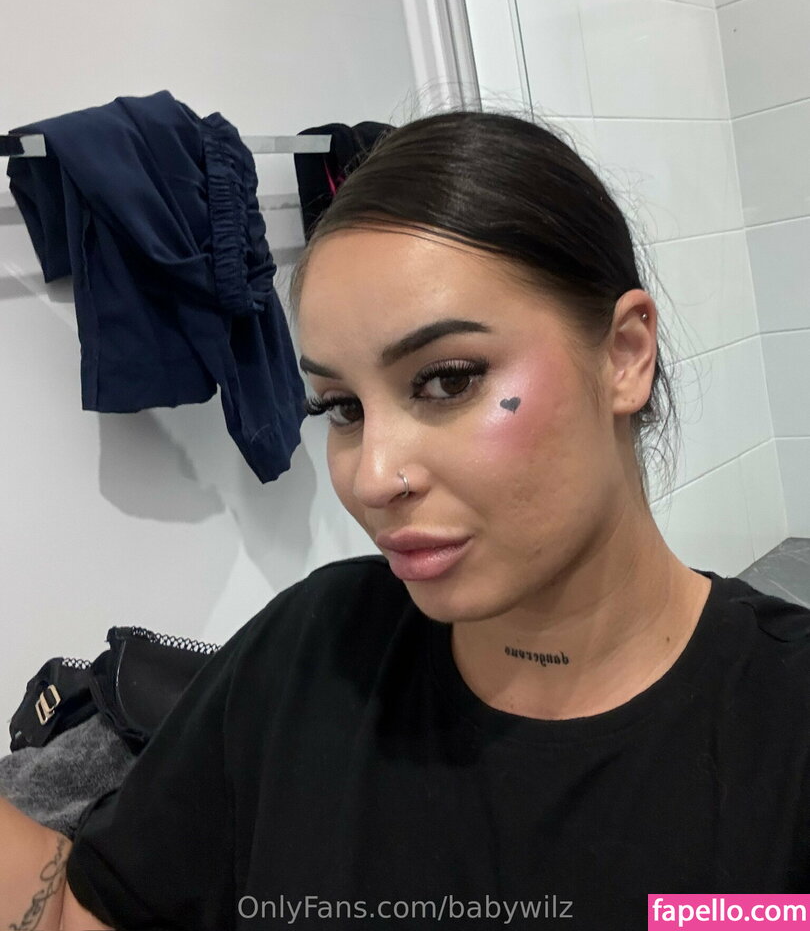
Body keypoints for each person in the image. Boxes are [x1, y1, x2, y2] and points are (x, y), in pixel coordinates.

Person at [4, 108, 810, 930]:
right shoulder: (314, 651)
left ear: (624, 355)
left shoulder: (785, 727)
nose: (373, 477)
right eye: (342, 408)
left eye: (447, 379)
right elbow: (80, 913)